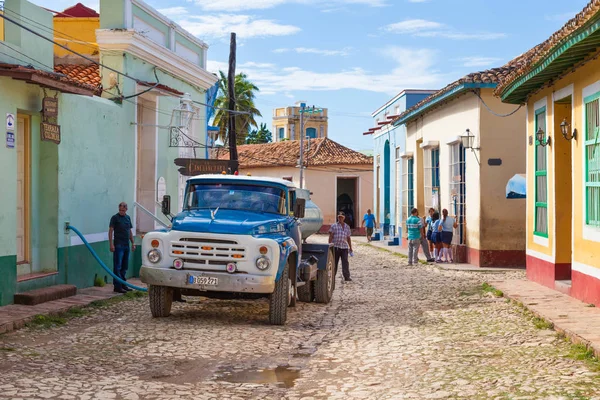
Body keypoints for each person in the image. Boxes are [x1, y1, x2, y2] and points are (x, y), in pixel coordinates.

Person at [109, 202, 136, 293]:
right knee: (118, 266)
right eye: (120, 210)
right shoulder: (115, 218)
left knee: (124, 266)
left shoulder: (127, 218)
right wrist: (111, 244)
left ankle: (123, 284)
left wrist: (133, 242)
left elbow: (129, 231)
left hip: (126, 244)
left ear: (126, 210)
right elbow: (111, 231)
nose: (121, 212)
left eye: (123, 210)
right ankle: (117, 286)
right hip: (118, 245)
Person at [329, 211, 353, 282]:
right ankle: (333, 276)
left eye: (341, 217)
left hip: (344, 247)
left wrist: (350, 247)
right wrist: (329, 245)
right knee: (335, 263)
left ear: (344, 218)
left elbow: (348, 238)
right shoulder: (334, 226)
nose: (340, 218)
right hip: (336, 247)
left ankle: (346, 276)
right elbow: (331, 236)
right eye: (339, 217)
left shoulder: (347, 227)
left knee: (345, 262)